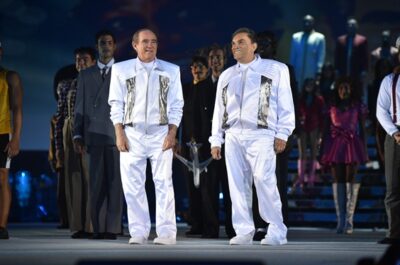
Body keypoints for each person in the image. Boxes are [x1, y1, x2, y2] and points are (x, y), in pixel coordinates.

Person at [209, 27, 295, 245]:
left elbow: (286, 103)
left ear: (254, 45)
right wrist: (216, 139)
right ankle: (244, 230)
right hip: (234, 135)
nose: (235, 46)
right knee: (237, 185)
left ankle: (276, 230)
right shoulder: (227, 75)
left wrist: (283, 132)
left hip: (262, 133)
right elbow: (219, 109)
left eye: (240, 42)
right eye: (233, 43)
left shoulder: (275, 69)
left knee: (264, 181)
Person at [108, 28, 183, 245]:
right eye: (145, 41)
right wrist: (119, 133)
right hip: (132, 133)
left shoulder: (171, 70)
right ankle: (138, 232)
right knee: (133, 186)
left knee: (164, 184)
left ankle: (167, 233)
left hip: (161, 133)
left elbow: (177, 105)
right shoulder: (121, 70)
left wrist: (172, 133)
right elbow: (116, 103)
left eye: (153, 42)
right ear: (135, 45)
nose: (149, 45)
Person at [74, 30, 123, 240]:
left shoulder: (123, 72)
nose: (106, 47)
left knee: (115, 184)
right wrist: (77, 135)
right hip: (93, 135)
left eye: (109, 43)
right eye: (102, 43)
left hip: (116, 136)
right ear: (97, 46)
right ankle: (97, 228)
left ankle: (111, 228)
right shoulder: (85, 74)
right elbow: (79, 107)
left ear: (114, 46)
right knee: (95, 185)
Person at [252, 30, 298, 240]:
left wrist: (286, 133)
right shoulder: (249, 68)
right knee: (257, 180)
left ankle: (278, 224)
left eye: (267, 43)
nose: (263, 47)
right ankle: (260, 224)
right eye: (260, 42)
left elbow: (291, 103)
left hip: (277, 134)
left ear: (274, 47)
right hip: (255, 134)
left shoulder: (285, 69)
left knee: (277, 181)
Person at [55, 47, 97, 238]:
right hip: (69, 130)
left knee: (91, 179)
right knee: (73, 180)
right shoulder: (66, 85)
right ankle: (77, 226)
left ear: (93, 62)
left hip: (92, 130)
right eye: (78, 60)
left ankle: (91, 225)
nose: (80, 63)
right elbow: (60, 116)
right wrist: (58, 147)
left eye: (85, 59)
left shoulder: (100, 83)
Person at [320, 76, 368, 234]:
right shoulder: (331, 107)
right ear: (337, 90)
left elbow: (362, 128)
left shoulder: (357, 106)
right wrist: (323, 149)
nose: (344, 91)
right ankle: (340, 220)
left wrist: (364, 149)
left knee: (350, 179)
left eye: (346, 88)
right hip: (335, 145)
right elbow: (325, 129)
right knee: (337, 180)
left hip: (352, 143)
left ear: (351, 90)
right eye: (341, 88)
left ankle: (349, 220)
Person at [180, 55, 220, 238]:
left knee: (208, 188)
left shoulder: (211, 89)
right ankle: (196, 224)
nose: (197, 70)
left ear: (207, 69)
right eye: (194, 67)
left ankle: (210, 227)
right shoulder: (187, 89)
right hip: (189, 147)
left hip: (205, 146)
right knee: (192, 187)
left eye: (201, 67)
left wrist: (208, 141)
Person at [376, 39, 400, 244]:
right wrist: (394, 132)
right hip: (395, 136)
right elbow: (381, 111)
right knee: (392, 187)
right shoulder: (389, 81)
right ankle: (394, 233)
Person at [0, 41, 23, 239]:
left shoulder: (9, 76)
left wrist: (15, 138)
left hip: (2, 132)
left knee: (2, 178)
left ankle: (1, 226)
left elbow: (17, 109)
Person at [293, 78, 325, 189]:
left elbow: (321, 116)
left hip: (314, 126)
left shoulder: (319, 99)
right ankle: (301, 177)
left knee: (313, 152)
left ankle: (311, 177)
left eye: (312, 84)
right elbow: (296, 114)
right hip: (302, 126)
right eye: (308, 84)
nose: (309, 86)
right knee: (302, 153)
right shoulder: (300, 99)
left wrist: (321, 131)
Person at [334, 18, 368, 99]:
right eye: (349, 25)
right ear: (346, 27)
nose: (351, 26)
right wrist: (336, 69)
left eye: (353, 25)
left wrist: (364, 70)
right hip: (343, 70)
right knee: (342, 90)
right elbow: (337, 56)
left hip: (356, 71)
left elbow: (365, 57)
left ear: (357, 26)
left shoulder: (362, 40)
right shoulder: (340, 40)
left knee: (356, 91)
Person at [289, 14, 325, 90]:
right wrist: (291, 72)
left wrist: (318, 72)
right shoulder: (296, 37)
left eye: (309, 22)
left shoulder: (319, 38)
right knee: (296, 92)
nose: (307, 24)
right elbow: (293, 56)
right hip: (297, 72)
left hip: (311, 72)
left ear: (313, 23)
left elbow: (320, 57)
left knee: (309, 93)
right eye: (305, 22)